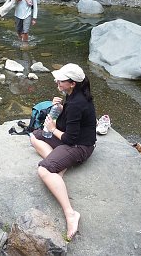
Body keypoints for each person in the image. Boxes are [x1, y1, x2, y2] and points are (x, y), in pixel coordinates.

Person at [29, 63, 97, 240]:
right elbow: (66, 124)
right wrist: (58, 108)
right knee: (34, 136)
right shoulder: (74, 96)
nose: (56, 82)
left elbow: (69, 139)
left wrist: (52, 129)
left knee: (43, 170)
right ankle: (59, 165)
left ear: (72, 83)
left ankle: (70, 214)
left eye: (60, 80)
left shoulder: (77, 103)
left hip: (80, 146)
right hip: (71, 141)